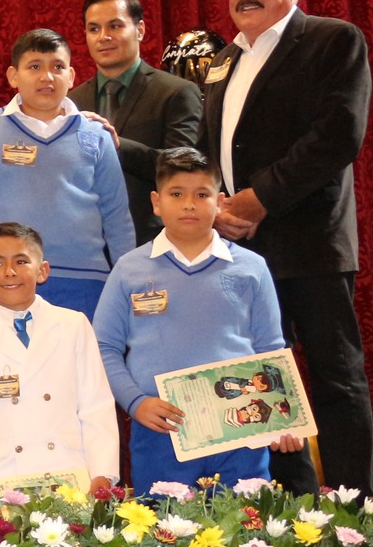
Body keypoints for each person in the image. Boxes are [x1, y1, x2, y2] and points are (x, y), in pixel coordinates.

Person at [197, 0, 373, 494]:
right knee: (260, 383)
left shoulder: (331, 40)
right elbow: (211, 145)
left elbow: (336, 135)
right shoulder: (224, 59)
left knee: (333, 379)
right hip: (239, 250)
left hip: (309, 243)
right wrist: (214, 208)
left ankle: (353, 510)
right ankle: (291, 508)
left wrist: (258, 199)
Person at [94, 147, 300, 493]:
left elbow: (270, 349)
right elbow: (104, 346)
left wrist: (282, 417)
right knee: (163, 535)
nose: (189, 204)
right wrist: (135, 401)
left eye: (201, 194)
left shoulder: (251, 267)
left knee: (243, 534)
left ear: (220, 202)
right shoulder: (129, 269)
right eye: (177, 194)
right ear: (157, 203)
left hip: (242, 426)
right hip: (161, 427)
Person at [0, 30, 135, 320]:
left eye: (57, 67)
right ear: (13, 76)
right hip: (9, 281)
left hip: (87, 283)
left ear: (72, 76)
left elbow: (117, 216)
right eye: (35, 66)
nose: (47, 77)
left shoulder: (96, 135)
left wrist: (128, 282)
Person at [0, 223, 119, 491]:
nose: (10, 272)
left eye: (21, 261)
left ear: (42, 270)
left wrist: (102, 474)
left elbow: (96, 405)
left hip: (73, 478)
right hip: (6, 483)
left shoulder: (74, 325)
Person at [73, 0, 203, 242]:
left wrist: (119, 146)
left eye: (115, 26)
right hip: (86, 244)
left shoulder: (176, 92)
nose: (104, 37)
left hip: (154, 239)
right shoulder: (72, 102)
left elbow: (185, 167)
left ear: (140, 30)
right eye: (94, 29)